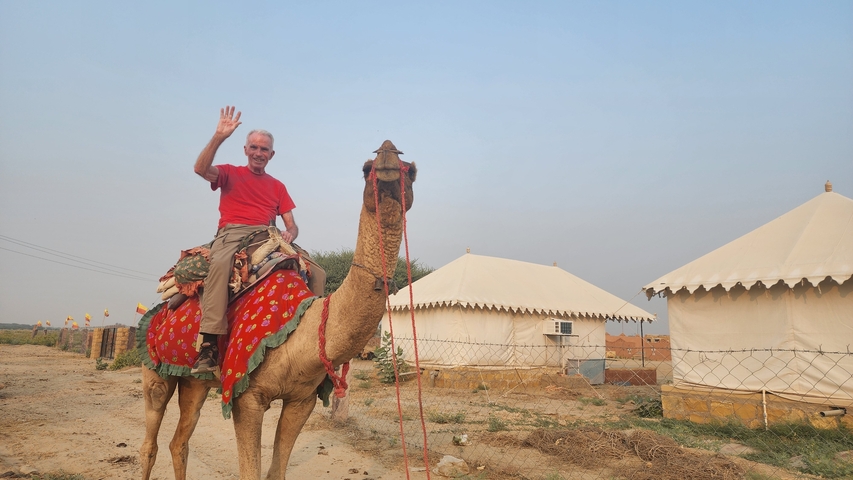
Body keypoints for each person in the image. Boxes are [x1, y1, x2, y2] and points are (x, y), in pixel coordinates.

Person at [191, 106, 298, 374]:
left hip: (268, 236)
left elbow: (292, 225)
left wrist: (290, 234)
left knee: (313, 270)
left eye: (264, 149)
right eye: (254, 147)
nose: (259, 153)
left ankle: (309, 342)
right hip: (234, 233)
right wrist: (218, 137)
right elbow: (200, 168)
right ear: (246, 150)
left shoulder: (278, 186)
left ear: (271, 155)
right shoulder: (230, 173)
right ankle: (209, 344)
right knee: (220, 264)